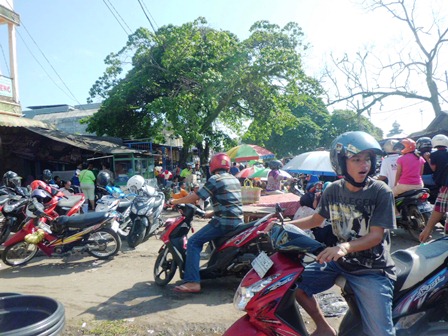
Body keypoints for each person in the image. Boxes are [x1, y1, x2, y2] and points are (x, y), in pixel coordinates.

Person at [289, 131, 396, 336]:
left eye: (367, 159)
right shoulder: (333, 190)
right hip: (339, 262)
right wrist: (282, 225)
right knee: (295, 285)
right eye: (356, 159)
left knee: (381, 333)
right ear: (340, 162)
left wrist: (344, 247)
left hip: (372, 269)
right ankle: (323, 327)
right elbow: (315, 220)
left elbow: (376, 236)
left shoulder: (380, 191)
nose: (364, 165)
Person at [170, 152, 243, 293]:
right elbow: (229, 203)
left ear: (212, 166)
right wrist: (211, 213)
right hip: (236, 220)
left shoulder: (215, 179)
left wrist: (175, 201)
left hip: (223, 222)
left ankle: (192, 282)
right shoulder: (234, 179)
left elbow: (196, 197)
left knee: (193, 242)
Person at [420, 134, 448, 242]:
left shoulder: (433, 155)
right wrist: (428, 229)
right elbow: (440, 207)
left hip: (436, 180)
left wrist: (427, 229)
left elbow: (439, 208)